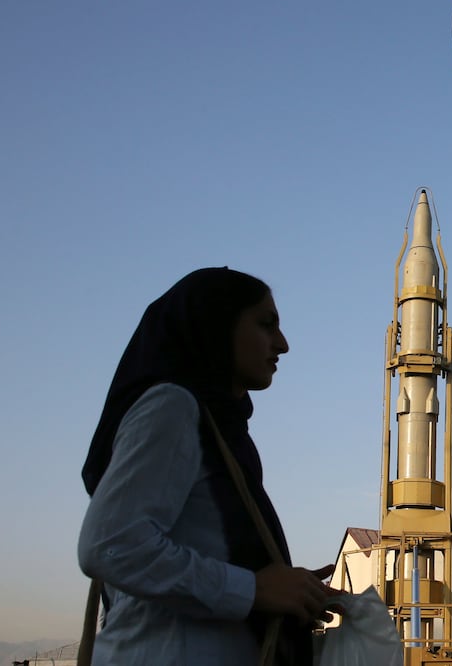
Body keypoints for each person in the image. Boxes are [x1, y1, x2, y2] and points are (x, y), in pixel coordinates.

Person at [78, 267, 338, 665]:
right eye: (266, 325)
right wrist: (252, 590)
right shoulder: (172, 406)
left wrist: (288, 589)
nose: (282, 344)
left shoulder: (222, 429)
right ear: (216, 326)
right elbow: (110, 545)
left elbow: (203, 544)